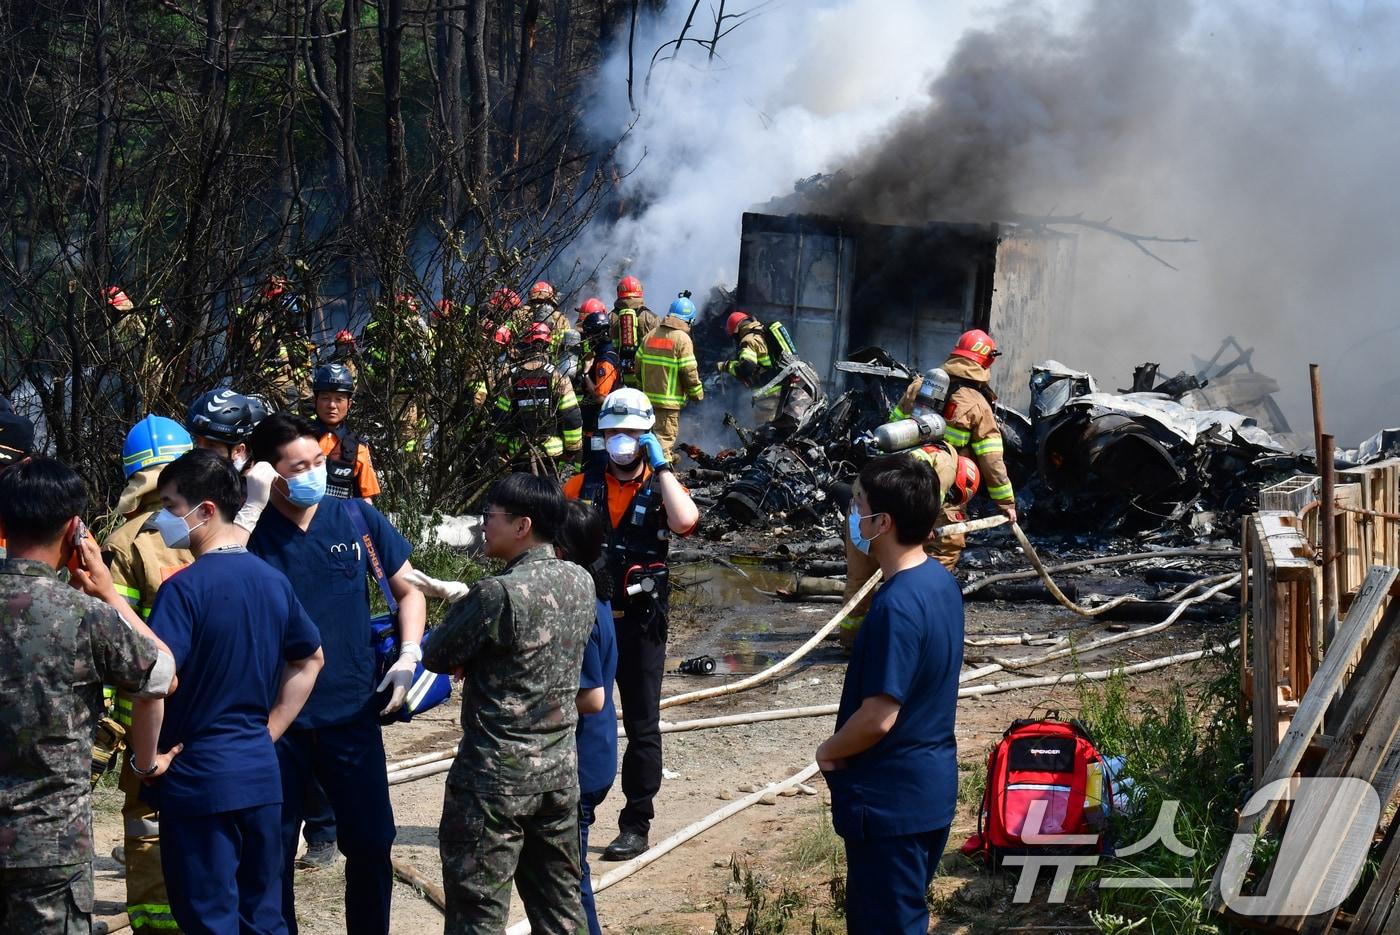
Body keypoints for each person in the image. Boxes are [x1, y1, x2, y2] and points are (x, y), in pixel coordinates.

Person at [245, 414, 427, 935]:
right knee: (271, 851)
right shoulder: (250, 532)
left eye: (318, 461)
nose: (312, 474)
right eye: (297, 466)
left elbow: (409, 589)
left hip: (352, 712)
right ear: (267, 473)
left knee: (371, 841)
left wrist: (408, 655)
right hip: (276, 722)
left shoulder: (354, 519)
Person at [129, 449, 324, 934]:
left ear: (207, 511)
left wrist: (147, 761)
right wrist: (268, 732)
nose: (164, 521)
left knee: (208, 918)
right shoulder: (272, 581)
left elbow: (155, 684)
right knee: (263, 914)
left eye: (172, 507)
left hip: (198, 781)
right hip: (260, 777)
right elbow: (310, 658)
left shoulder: (184, 590)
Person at [408, 474, 594, 933]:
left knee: (478, 913)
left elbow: (437, 655)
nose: (483, 526)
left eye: (489, 517)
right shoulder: (581, 581)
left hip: (495, 781)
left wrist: (457, 602)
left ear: (522, 525)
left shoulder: (499, 593)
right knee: (560, 908)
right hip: (558, 773)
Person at [0, 457, 176, 935]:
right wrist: (106, 593)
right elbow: (162, 675)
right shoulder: (84, 616)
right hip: (50, 845)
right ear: (77, 529)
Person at [816, 454, 963, 934]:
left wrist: (828, 751)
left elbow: (879, 716)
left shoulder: (896, 605)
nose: (852, 516)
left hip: (890, 804)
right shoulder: (938, 582)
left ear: (883, 522)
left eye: (859, 505)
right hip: (928, 791)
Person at [563, 388, 700, 860]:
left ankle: (636, 824)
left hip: (642, 624)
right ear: (602, 435)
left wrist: (662, 468)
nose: (622, 441)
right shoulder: (581, 485)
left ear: (647, 438)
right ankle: (576, 813)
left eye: (632, 434)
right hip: (592, 621)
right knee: (585, 716)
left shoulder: (663, 485)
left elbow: (685, 522)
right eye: (614, 432)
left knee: (643, 726)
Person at [103, 415, 196, 932]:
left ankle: (157, 921)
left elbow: (121, 639)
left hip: (152, 714)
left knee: (146, 822)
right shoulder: (221, 524)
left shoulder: (124, 542)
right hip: (217, 704)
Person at [555, 500, 618, 935]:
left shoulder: (580, 611)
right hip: (593, 756)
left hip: (580, 762)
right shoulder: (596, 596)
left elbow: (590, 697)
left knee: (569, 886)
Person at [934, 330, 1017, 568]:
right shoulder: (978, 403)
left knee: (899, 547)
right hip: (945, 490)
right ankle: (927, 598)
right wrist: (1007, 504)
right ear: (987, 360)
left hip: (901, 480)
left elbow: (892, 423)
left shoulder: (921, 386)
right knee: (944, 549)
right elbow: (992, 461)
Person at [714, 310, 822, 444]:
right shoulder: (762, 332)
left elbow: (747, 367)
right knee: (782, 429)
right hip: (784, 387)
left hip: (768, 395)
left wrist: (727, 366)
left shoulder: (748, 341)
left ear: (737, 330)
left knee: (764, 435)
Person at [494, 322, 584, 475]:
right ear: (548, 344)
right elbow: (572, 415)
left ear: (524, 344)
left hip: (519, 454)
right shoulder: (558, 377)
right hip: (551, 454)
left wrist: (501, 448)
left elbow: (501, 416)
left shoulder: (512, 377)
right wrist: (572, 449)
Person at [636, 293, 704, 462]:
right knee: (663, 444)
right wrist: (697, 393)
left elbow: (637, 365)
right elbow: (689, 371)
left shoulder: (650, 335)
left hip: (646, 402)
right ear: (689, 320)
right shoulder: (682, 339)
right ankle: (661, 483)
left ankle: (644, 477)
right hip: (669, 404)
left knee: (647, 442)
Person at [309, 363, 382, 500]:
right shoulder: (298, 438)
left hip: (340, 518)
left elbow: (367, 499)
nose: (332, 405)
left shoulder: (358, 447)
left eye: (339, 399)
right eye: (325, 398)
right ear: (315, 401)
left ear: (349, 404)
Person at [577, 309, 621, 446]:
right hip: (597, 423)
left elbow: (600, 397)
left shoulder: (605, 362)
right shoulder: (605, 354)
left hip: (598, 427)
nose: (587, 339)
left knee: (596, 463)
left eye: (589, 335)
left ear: (595, 335)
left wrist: (585, 374)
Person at [610, 276, 658, 388]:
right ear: (640, 292)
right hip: (644, 373)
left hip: (616, 375)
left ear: (619, 292)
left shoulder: (610, 318)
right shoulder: (651, 318)